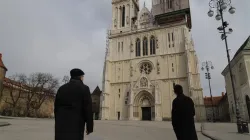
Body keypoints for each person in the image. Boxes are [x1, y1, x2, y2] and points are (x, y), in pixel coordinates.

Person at [54, 68, 93, 140]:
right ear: (81, 77)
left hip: (61, 124)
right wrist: (89, 127)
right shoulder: (84, 88)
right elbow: (88, 109)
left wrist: (57, 121)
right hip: (76, 125)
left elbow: (56, 107)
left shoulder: (61, 88)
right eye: (83, 77)